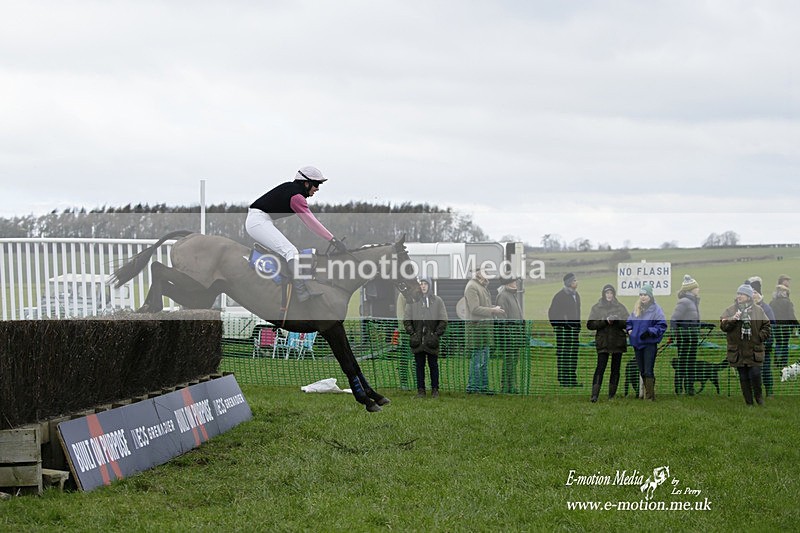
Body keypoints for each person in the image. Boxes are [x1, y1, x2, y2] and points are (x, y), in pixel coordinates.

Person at [246, 166, 348, 302]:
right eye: (316, 184)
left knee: (289, 251)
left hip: (260, 220)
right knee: (291, 252)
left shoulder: (292, 189)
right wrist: (333, 240)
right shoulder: (297, 197)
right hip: (258, 221)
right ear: (306, 183)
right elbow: (311, 222)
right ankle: (301, 292)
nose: (317, 188)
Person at [720, 283, 771, 406]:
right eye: (738, 293)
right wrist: (733, 319)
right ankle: (749, 403)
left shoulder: (759, 311)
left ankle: (759, 398)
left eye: (742, 294)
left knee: (755, 374)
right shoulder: (730, 310)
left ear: (749, 296)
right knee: (743, 377)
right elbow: (723, 326)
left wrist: (760, 337)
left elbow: (767, 326)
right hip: (738, 351)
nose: (739, 296)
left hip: (754, 350)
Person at [404, 277, 448, 398]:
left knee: (433, 365)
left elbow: (443, 319)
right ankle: (421, 390)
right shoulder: (412, 301)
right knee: (419, 366)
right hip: (417, 340)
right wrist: (412, 333)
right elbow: (407, 319)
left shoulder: (437, 301)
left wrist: (436, 334)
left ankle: (435, 390)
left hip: (431, 341)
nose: (423, 286)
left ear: (429, 286)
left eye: (425, 284)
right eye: (421, 284)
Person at [465, 269, 505, 393]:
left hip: (484, 330)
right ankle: (473, 387)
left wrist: (494, 308)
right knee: (478, 361)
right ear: (478, 273)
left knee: (483, 361)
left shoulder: (482, 287)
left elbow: (484, 306)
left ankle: (483, 387)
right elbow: (475, 309)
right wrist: (493, 311)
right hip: (477, 330)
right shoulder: (472, 287)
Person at [586, 284, 629, 402]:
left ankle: (612, 395)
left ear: (614, 294)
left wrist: (616, 321)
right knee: (600, 368)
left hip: (617, 341)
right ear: (603, 294)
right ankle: (594, 395)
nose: (609, 295)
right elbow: (590, 325)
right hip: (603, 342)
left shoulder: (621, 307)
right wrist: (605, 321)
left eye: (611, 293)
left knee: (615, 369)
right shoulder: (596, 308)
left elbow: (628, 322)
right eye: (607, 293)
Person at [625, 284, 667, 401]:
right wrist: (629, 330)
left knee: (648, 370)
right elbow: (629, 322)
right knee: (642, 370)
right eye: (641, 295)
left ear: (650, 296)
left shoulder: (656, 309)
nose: (643, 297)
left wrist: (650, 332)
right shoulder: (637, 308)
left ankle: (649, 397)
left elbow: (661, 325)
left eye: (645, 295)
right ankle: (647, 393)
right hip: (637, 343)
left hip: (649, 343)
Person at [548, 273, 582, 387]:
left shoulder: (576, 295)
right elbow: (552, 313)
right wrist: (562, 324)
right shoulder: (559, 296)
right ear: (569, 283)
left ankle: (572, 379)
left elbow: (577, 312)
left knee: (573, 354)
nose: (576, 282)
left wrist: (578, 325)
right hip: (563, 331)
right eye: (574, 280)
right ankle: (563, 379)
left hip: (574, 331)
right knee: (564, 354)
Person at [670, 275, 702, 395]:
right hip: (685, 338)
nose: (698, 289)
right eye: (696, 287)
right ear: (691, 289)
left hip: (692, 337)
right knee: (683, 363)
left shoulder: (692, 301)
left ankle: (689, 388)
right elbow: (674, 319)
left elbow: (691, 319)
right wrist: (674, 335)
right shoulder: (684, 301)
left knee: (690, 363)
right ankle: (679, 389)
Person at [495, 278, 525, 394]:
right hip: (509, 336)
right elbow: (502, 318)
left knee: (513, 361)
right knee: (509, 361)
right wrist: (508, 334)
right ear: (507, 284)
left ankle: (512, 385)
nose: (515, 283)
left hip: (516, 335)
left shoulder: (513, 295)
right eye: (513, 282)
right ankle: (506, 387)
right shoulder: (503, 296)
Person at [747, 277, 776, 396]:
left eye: (755, 292)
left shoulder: (766, 308)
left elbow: (771, 325)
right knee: (753, 369)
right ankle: (755, 391)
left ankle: (769, 391)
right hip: (751, 345)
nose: (753, 295)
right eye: (751, 292)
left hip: (764, 344)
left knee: (765, 369)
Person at [769, 275, 798, 370]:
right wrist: (797, 325)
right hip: (785, 326)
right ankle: (783, 362)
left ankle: (776, 359)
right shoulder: (787, 302)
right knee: (785, 343)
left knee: (778, 342)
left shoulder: (772, 302)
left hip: (775, 325)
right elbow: (791, 315)